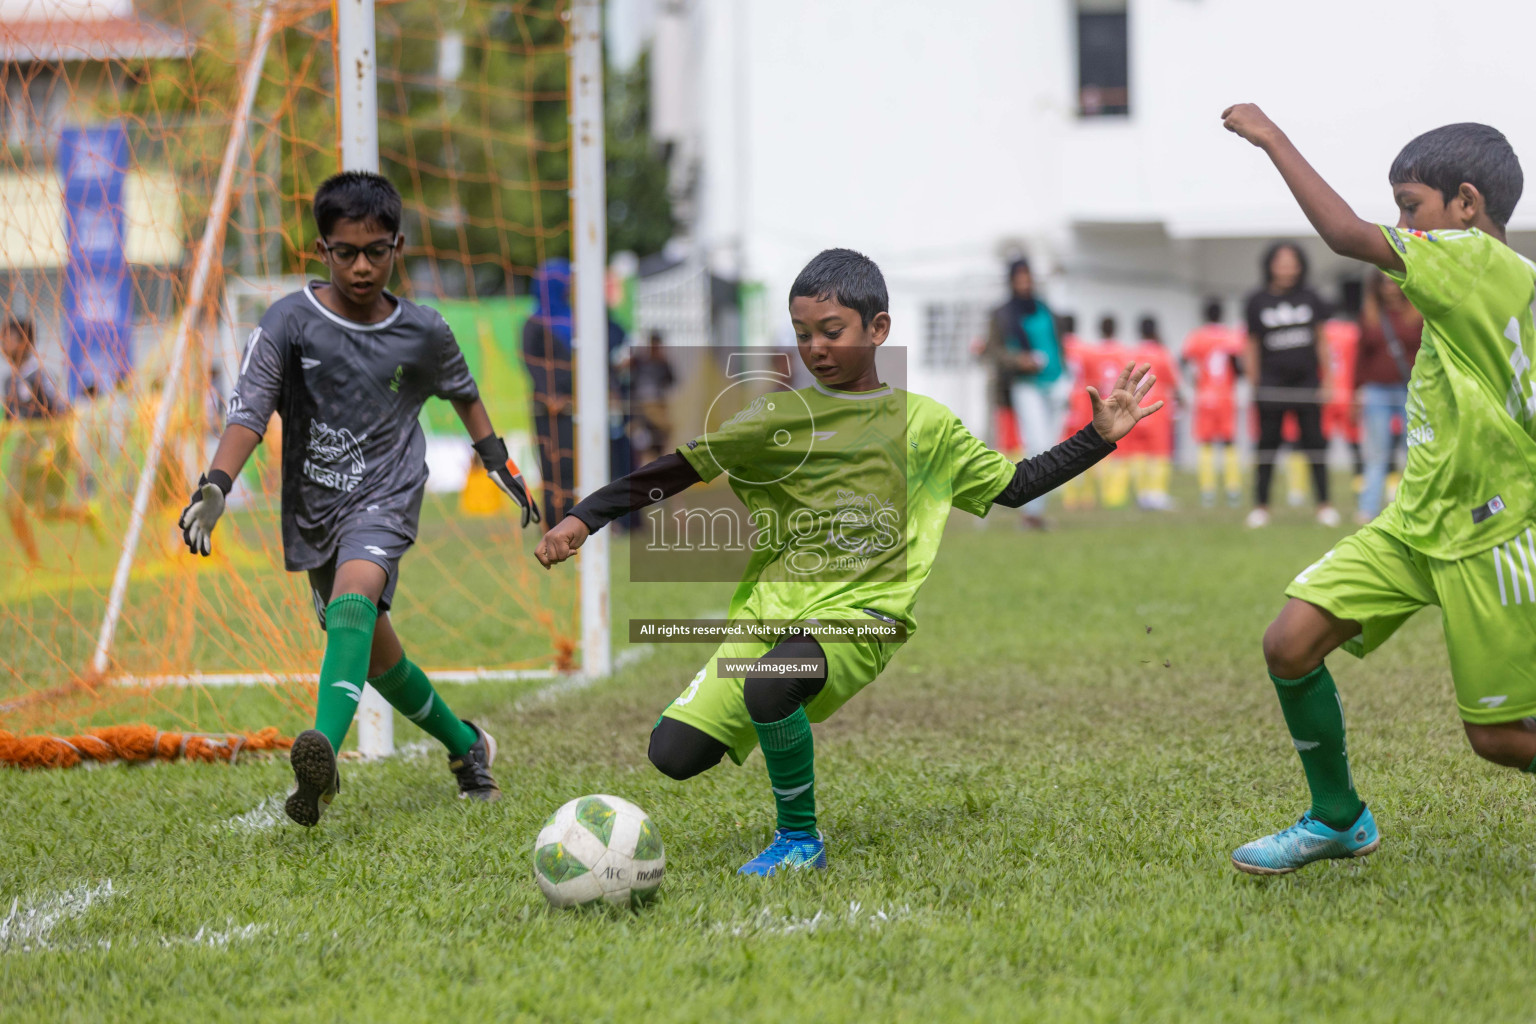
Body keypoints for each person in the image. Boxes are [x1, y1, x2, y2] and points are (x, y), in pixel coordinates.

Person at [533, 249, 1162, 875]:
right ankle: (782, 714)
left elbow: (1016, 486)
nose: (816, 348)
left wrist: (1097, 438)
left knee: (773, 683)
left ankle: (799, 840)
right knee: (673, 754)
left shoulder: (925, 425)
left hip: (868, 612)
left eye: (832, 332)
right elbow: (679, 469)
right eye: (804, 334)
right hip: (772, 613)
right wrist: (584, 517)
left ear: (878, 329)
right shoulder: (777, 418)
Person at [1220, 107, 1536, 874]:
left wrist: (1272, 138)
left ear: (1467, 204)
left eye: (1410, 207)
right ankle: (1337, 818)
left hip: (1486, 535)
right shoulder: (1487, 280)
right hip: (1414, 525)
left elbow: (1344, 237)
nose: (1402, 226)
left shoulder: (1474, 259)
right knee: (1290, 645)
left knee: (1498, 739)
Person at [176, 171, 539, 826]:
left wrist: (498, 462)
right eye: (347, 252)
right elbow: (249, 413)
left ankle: (319, 757)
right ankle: (468, 746)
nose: (363, 265)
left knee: (355, 595)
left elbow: (463, 392)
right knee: (377, 656)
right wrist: (216, 485)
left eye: (376, 250)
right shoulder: (288, 321)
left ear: (398, 246)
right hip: (315, 505)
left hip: (388, 491)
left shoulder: (423, 330)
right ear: (323, 250)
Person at [1244, 241, 1339, 528]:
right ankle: (1261, 506)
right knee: (1267, 446)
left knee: (1315, 445)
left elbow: (1322, 340)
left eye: (1292, 262)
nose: (1286, 267)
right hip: (1271, 385)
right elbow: (1251, 345)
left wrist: (1329, 379)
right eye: (1281, 262)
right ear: (1270, 265)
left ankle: (1324, 505)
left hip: (1308, 384)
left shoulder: (1311, 298)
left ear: (1300, 266)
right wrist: (1254, 383)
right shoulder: (1256, 301)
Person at [988, 258, 1070, 528]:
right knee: (1037, 445)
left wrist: (1067, 375)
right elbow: (996, 351)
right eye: (1019, 278)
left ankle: (1035, 510)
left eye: (1027, 277)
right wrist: (1020, 360)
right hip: (1027, 385)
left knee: (1053, 447)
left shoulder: (1044, 307)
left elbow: (1057, 343)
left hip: (1056, 383)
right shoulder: (1002, 314)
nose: (1024, 282)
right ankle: (1030, 513)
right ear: (1011, 281)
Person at [1354, 272, 1423, 522]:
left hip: (1411, 390)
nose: (1391, 288)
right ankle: (1368, 509)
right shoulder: (1370, 315)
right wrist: (1356, 390)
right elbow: (1360, 357)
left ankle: (1414, 506)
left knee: (1415, 450)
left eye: (1395, 281)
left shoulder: (1419, 312)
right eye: (1385, 282)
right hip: (1377, 391)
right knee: (1376, 453)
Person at [2, 317, 69, 563]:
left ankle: (35, 562)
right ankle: (35, 561)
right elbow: (8, 422)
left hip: (42, 447)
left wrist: (53, 445)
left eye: (8, 337)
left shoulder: (37, 374)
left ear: (24, 343)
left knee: (31, 508)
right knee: (27, 508)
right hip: (23, 449)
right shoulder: (9, 380)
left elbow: (60, 409)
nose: (3, 343)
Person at [523, 259, 576, 525]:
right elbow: (530, 361)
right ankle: (553, 523)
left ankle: (579, 520)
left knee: (576, 465)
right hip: (548, 409)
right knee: (553, 466)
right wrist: (548, 395)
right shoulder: (534, 322)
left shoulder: (575, 319)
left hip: (576, 406)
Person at [1182, 299, 1246, 507]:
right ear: (1222, 314)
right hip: (1226, 396)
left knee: (1206, 444)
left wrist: (1195, 379)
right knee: (1229, 443)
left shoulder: (1196, 337)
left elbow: (1183, 361)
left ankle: (1207, 492)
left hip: (1205, 397)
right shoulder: (1231, 337)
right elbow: (1238, 368)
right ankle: (1233, 490)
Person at [1129, 316, 1181, 510]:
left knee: (1139, 454)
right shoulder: (1162, 354)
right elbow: (1174, 382)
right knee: (1159, 454)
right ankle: (1157, 494)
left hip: (1134, 410)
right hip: (1157, 411)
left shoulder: (1130, 354)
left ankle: (1142, 494)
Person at [1089, 315, 1135, 508]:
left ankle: (1097, 492)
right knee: (1120, 452)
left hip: (1099, 406)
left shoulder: (1092, 353)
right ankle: (1115, 496)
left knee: (1096, 448)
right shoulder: (1123, 353)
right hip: (1118, 406)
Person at [630, 330, 676, 464]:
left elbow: (671, 381)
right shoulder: (640, 362)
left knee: (661, 436)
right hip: (641, 407)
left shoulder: (663, 363)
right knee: (641, 438)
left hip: (657, 406)